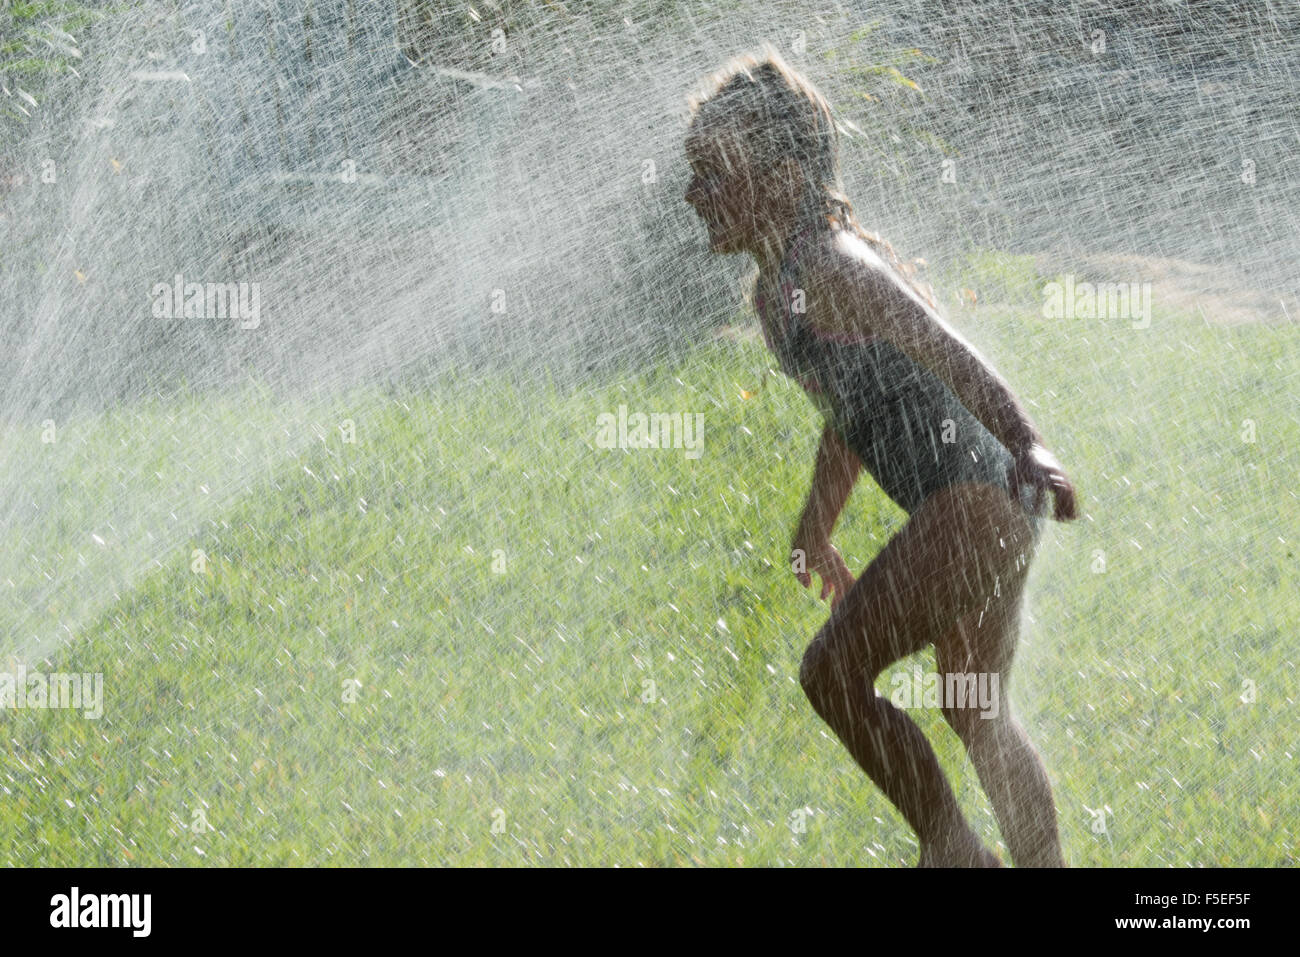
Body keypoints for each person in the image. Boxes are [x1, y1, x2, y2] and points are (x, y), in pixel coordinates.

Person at [683, 44, 1078, 867]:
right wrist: (817, 521)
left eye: (715, 173)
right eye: (695, 174)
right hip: (993, 504)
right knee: (975, 709)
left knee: (832, 673)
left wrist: (1027, 438)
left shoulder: (830, 266)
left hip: (977, 497)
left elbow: (944, 347)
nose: (695, 194)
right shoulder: (775, 291)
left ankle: (954, 852)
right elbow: (849, 411)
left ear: (787, 179)